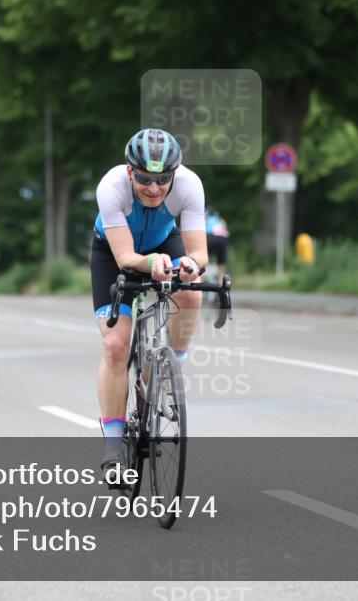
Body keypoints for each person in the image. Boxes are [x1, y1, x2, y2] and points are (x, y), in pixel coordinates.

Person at [91, 128, 208, 479]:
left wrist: (190, 264)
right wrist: (151, 262)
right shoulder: (111, 187)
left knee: (192, 288)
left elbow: (199, 252)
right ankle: (113, 447)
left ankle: (172, 365)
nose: (154, 188)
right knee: (114, 345)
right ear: (130, 172)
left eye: (162, 179)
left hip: (164, 241)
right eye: (144, 178)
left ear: (175, 174)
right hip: (113, 255)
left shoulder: (189, 185)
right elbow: (126, 256)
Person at [205, 206, 229, 277]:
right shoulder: (219, 219)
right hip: (223, 238)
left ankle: (201, 280)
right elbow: (225, 227)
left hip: (210, 236)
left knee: (205, 259)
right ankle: (222, 281)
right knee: (221, 262)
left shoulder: (205, 218)